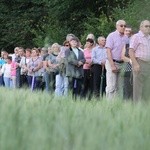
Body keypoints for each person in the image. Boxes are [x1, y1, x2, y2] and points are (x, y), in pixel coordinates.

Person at [105, 20, 128, 99]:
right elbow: (108, 51)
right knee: (111, 86)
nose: (123, 27)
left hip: (122, 64)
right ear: (117, 26)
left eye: (125, 26)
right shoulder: (111, 36)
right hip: (112, 62)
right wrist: (112, 65)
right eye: (121, 26)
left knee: (120, 86)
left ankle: (117, 106)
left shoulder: (126, 37)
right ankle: (109, 106)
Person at [129, 20, 150, 101]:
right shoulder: (136, 36)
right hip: (140, 63)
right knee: (138, 88)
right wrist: (135, 64)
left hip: (148, 65)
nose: (148, 28)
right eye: (146, 26)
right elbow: (131, 51)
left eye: (149, 26)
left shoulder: (149, 38)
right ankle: (136, 109)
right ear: (141, 27)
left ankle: (145, 110)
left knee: (147, 88)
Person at [121, 26, 133, 100]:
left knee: (134, 89)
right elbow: (122, 57)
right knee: (126, 88)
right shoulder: (126, 45)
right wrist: (131, 60)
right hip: (127, 69)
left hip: (136, 69)